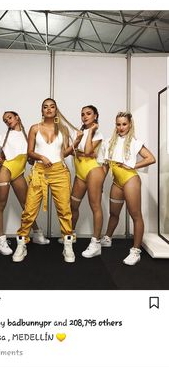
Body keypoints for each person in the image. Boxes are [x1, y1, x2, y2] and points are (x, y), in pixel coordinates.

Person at [12, 98, 83, 263]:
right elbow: (29, 151)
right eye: (45, 107)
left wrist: (77, 140)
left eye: (52, 107)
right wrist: (41, 156)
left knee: (65, 210)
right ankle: (22, 243)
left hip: (59, 171)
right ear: (42, 110)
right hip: (39, 171)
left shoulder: (63, 129)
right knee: (29, 209)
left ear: (56, 109)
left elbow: (63, 153)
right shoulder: (34, 128)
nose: (49, 109)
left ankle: (67, 244)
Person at [102, 111, 155, 265]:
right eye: (118, 124)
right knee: (113, 213)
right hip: (116, 182)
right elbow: (105, 165)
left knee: (135, 215)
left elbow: (151, 158)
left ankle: (135, 251)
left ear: (130, 124)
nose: (121, 127)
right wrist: (99, 185)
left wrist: (132, 165)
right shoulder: (109, 141)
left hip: (130, 179)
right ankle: (108, 238)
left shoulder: (134, 141)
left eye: (124, 124)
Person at [0, 110, 49, 255]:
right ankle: (1, 240)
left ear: (17, 117)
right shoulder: (2, 137)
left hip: (19, 173)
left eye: (9, 117)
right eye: (5, 120)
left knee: (27, 205)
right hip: (5, 171)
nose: (8, 121)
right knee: (0, 205)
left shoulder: (28, 136)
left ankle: (37, 233)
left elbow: (30, 159)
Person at [68, 105, 106, 258]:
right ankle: (71, 234)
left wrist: (90, 131)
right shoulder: (77, 132)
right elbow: (71, 151)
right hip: (80, 173)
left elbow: (89, 151)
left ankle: (96, 243)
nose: (85, 116)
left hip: (93, 170)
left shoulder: (97, 133)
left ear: (95, 116)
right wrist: (79, 146)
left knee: (95, 206)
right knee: (73, 205)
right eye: (82, 114)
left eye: (88, 114)